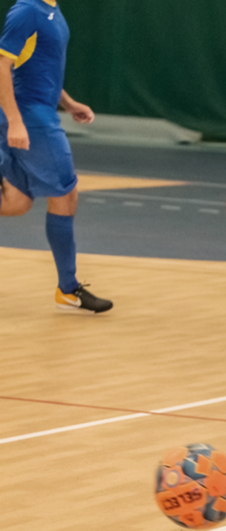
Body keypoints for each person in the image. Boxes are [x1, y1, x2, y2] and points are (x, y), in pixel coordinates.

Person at [0, 0, 111, 313]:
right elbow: (2, 66)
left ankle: (67, 289)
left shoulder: (53, 11)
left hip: (38, 112)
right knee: (66, 192)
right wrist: (16, 120)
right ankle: (68, 289)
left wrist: (68, 102)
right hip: (30, 118)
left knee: (16, 202)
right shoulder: (26, 11)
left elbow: (38, 67)